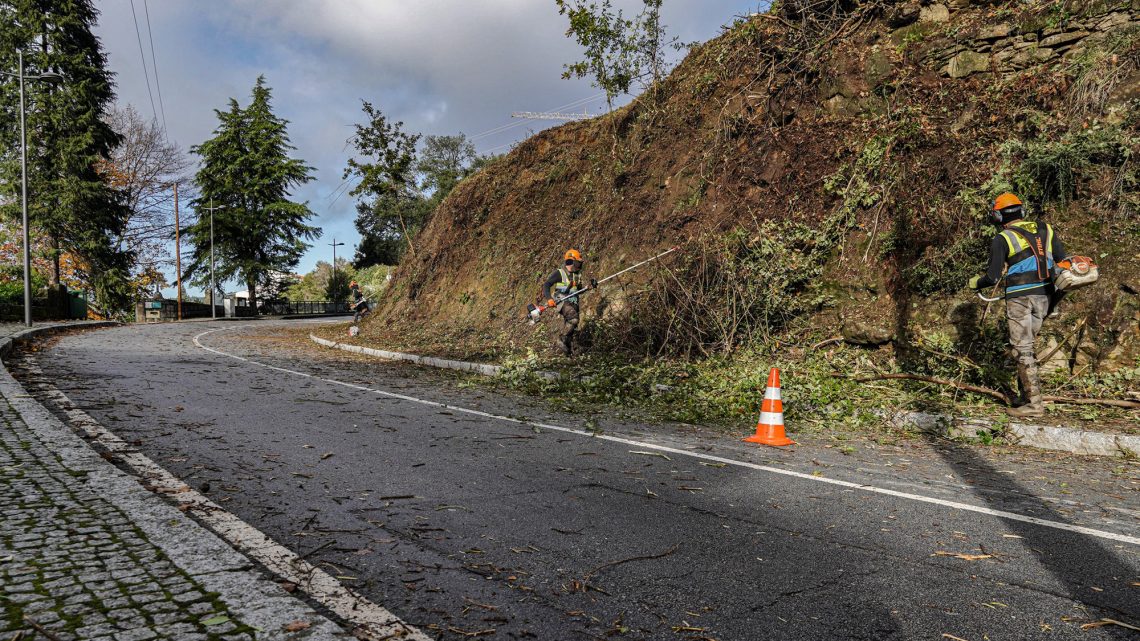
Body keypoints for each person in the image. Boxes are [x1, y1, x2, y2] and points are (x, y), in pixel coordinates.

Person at [969, 192, 1066, 418]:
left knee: (1022, 348)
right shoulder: (1046, 229)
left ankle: (1034, 405)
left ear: (997, 216)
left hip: (1020, 297)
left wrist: (976, 283)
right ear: (1022, 211)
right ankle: (1026, 397)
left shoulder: (1003, 238)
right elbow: (1063, 262)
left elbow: (992, 277)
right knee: (1028, 347)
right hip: (1046, 296)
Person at [541, 249, 594, 356]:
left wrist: (588, 287)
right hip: (562, 300)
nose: (579, 265)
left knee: (571, 327)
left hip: (573, 302)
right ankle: (560, 339)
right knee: (573, 319)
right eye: (578, 262)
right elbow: (546, 285)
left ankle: (566, 352)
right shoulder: (559, 273)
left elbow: (579, 290)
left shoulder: (577, 275)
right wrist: (549, 298)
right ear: (571, 261)